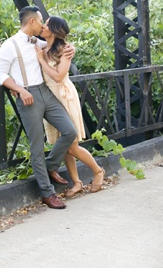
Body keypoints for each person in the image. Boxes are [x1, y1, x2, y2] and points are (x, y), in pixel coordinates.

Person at [0, 6, 77, 209]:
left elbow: (55, 45)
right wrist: (19, 90)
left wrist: (70, 48)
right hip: (28, 96)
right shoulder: (10, 45)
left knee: (69, 131)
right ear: (32, 22)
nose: (43, 24)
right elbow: (0, 74)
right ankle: (47, 193)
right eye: (41, 21)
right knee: (37, 146)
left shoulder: (38, 42)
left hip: (45, 92)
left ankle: (49, 166)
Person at [35, 15, 106, 197]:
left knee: (71, 145)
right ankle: (77, 182)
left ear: (55, 30)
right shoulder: (43, 46)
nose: (43, 26)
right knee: (64, 142)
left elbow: (59, 76)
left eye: (47, 24)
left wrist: (42, 61)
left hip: (64, 95)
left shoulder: (63, 50)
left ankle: (98, 171)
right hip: (50, 98)